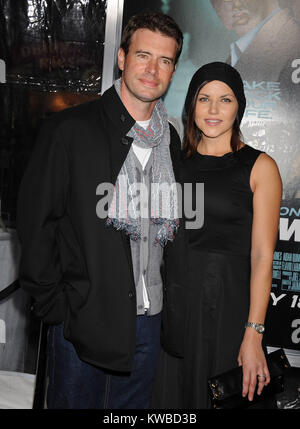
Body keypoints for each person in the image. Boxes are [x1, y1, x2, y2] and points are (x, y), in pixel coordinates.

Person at [16, 12, 183, 409]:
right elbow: (36, 222)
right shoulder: (71, 130)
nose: (152, 69)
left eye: (165, 60)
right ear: (122, 58)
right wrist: (58, 307)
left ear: (174, 70)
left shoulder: (169, 140)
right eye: (143, 55)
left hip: (148, 321)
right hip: (82, 321)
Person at [151, 62, 282, 409]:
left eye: (225, 100)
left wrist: (253, 333)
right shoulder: (172, 166)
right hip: (176, 312)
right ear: (191, 104)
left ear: (238, 107)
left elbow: (262, 256)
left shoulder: (259, 166)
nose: (212, 109)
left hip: (230, 314)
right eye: (204, 98)